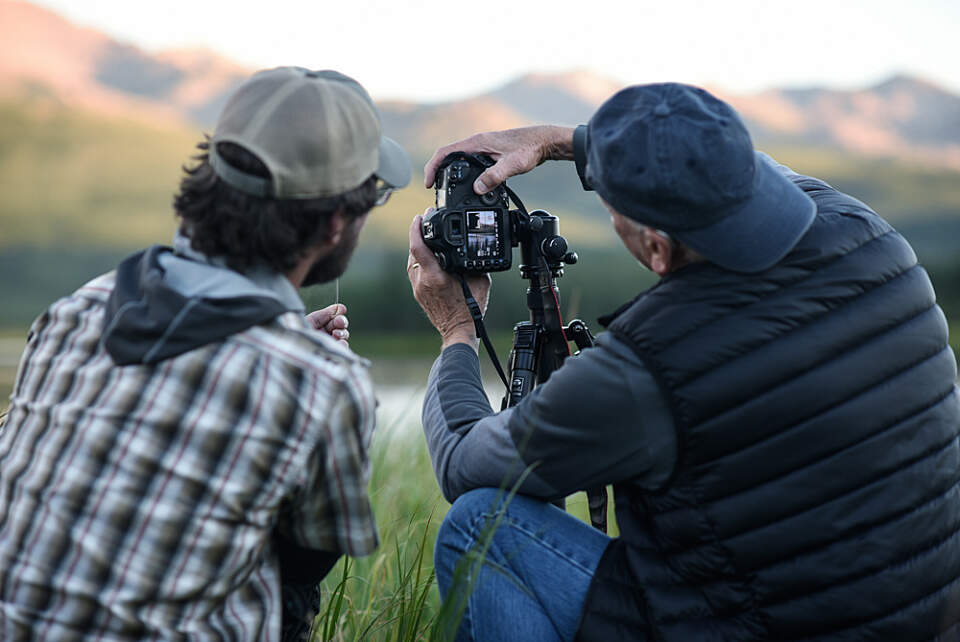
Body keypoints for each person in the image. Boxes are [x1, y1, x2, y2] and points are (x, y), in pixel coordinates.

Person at [406, 83, 960, 640]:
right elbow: (731, 167)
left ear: (656, 249)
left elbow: (461, 464)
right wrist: (555, 142)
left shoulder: (650, 362)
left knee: (478, 524)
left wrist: (458, 329)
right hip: (923, 613)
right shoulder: (870, 234)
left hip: (761, 626)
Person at [0, 66, 410, 640]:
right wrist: (295, 365)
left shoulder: (78, 308)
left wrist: (285, 346)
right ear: (337, 223)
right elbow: (306, 562)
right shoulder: (322, 382)